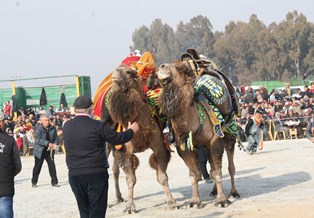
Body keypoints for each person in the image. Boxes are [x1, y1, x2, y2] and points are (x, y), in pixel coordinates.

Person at [63, 95, 139, 218]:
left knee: (84, 211)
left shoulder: (66, 126)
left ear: (75, 109)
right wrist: (131, 131)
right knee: (97, 210)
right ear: (91, 109)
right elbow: (118, 138)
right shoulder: (97, 125)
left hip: (75, 174)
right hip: (95, 173)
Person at [0, 111, 22, 218]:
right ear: (0, 123)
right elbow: (17, 165)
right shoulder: (9, 140)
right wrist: (7, 175)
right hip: (5, 185)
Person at [31, 115, 59, 188]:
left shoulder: (53, 128)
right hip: (40, 151)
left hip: (49, 151)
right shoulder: (38, 129)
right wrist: (48, 144)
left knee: (52, 166)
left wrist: (55, 144)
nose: (48, 121)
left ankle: (54, 182)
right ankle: (34, 182)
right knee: (37, 167)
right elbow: (38, 140)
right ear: (42, 121)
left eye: (48, 120)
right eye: (46, 120)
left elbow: (56, 138)